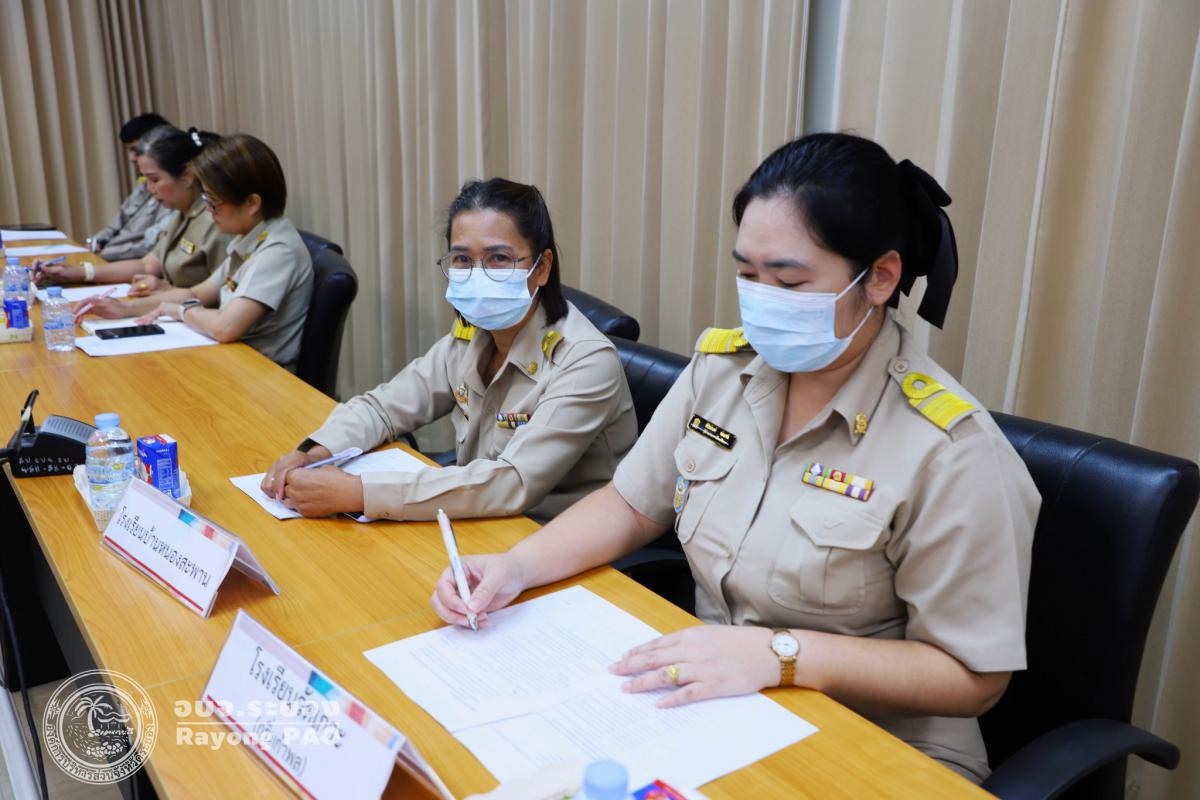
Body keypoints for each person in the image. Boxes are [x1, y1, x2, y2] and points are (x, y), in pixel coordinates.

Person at [430, 134, 1040, 782]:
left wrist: (780, 655)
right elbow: (631, 505)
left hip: (877, 750)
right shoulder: (723, 372)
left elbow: (971, 677)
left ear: (880, 278)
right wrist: (515, 569)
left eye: (789, 280)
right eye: (748, 275)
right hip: (721, 710)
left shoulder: (951, 451)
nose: (762, 300)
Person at [261, 178, 638, 524]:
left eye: (499, 258)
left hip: (560, 539)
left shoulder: (585, 362)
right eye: (462, 259)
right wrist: (315, 453)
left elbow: (512, 481)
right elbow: (385, 407)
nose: (478, 274)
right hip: (478, 520)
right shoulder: (473, 334)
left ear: (541, 268)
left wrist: (359, 492)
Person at [82, 134, 312, 369]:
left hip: (261, 373)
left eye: (214, 202)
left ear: (252, 203)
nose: (209, 211)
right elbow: (197, 293)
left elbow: (225, 327)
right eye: (206, 199)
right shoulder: (248, 237)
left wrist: (181, 311)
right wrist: (125, 309)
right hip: (233, 361)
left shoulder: (277, 251)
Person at [34, 126, 229, 295]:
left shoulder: (215, 219)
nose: (150, 189)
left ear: (187, 176)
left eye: (155, 180)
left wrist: (166, 292)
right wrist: (76, 272)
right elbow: (147, 265)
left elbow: (220, 296)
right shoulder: (181, 213)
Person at [88, 113, 174, 261]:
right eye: (130, 150)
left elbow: (151, 245)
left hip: (128, 261)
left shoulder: (172, 191)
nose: (132, 158)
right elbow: (114, 226)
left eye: (136, 150)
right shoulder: (142, 184)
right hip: (109, 257)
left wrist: (104, 254)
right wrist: (94, 243)